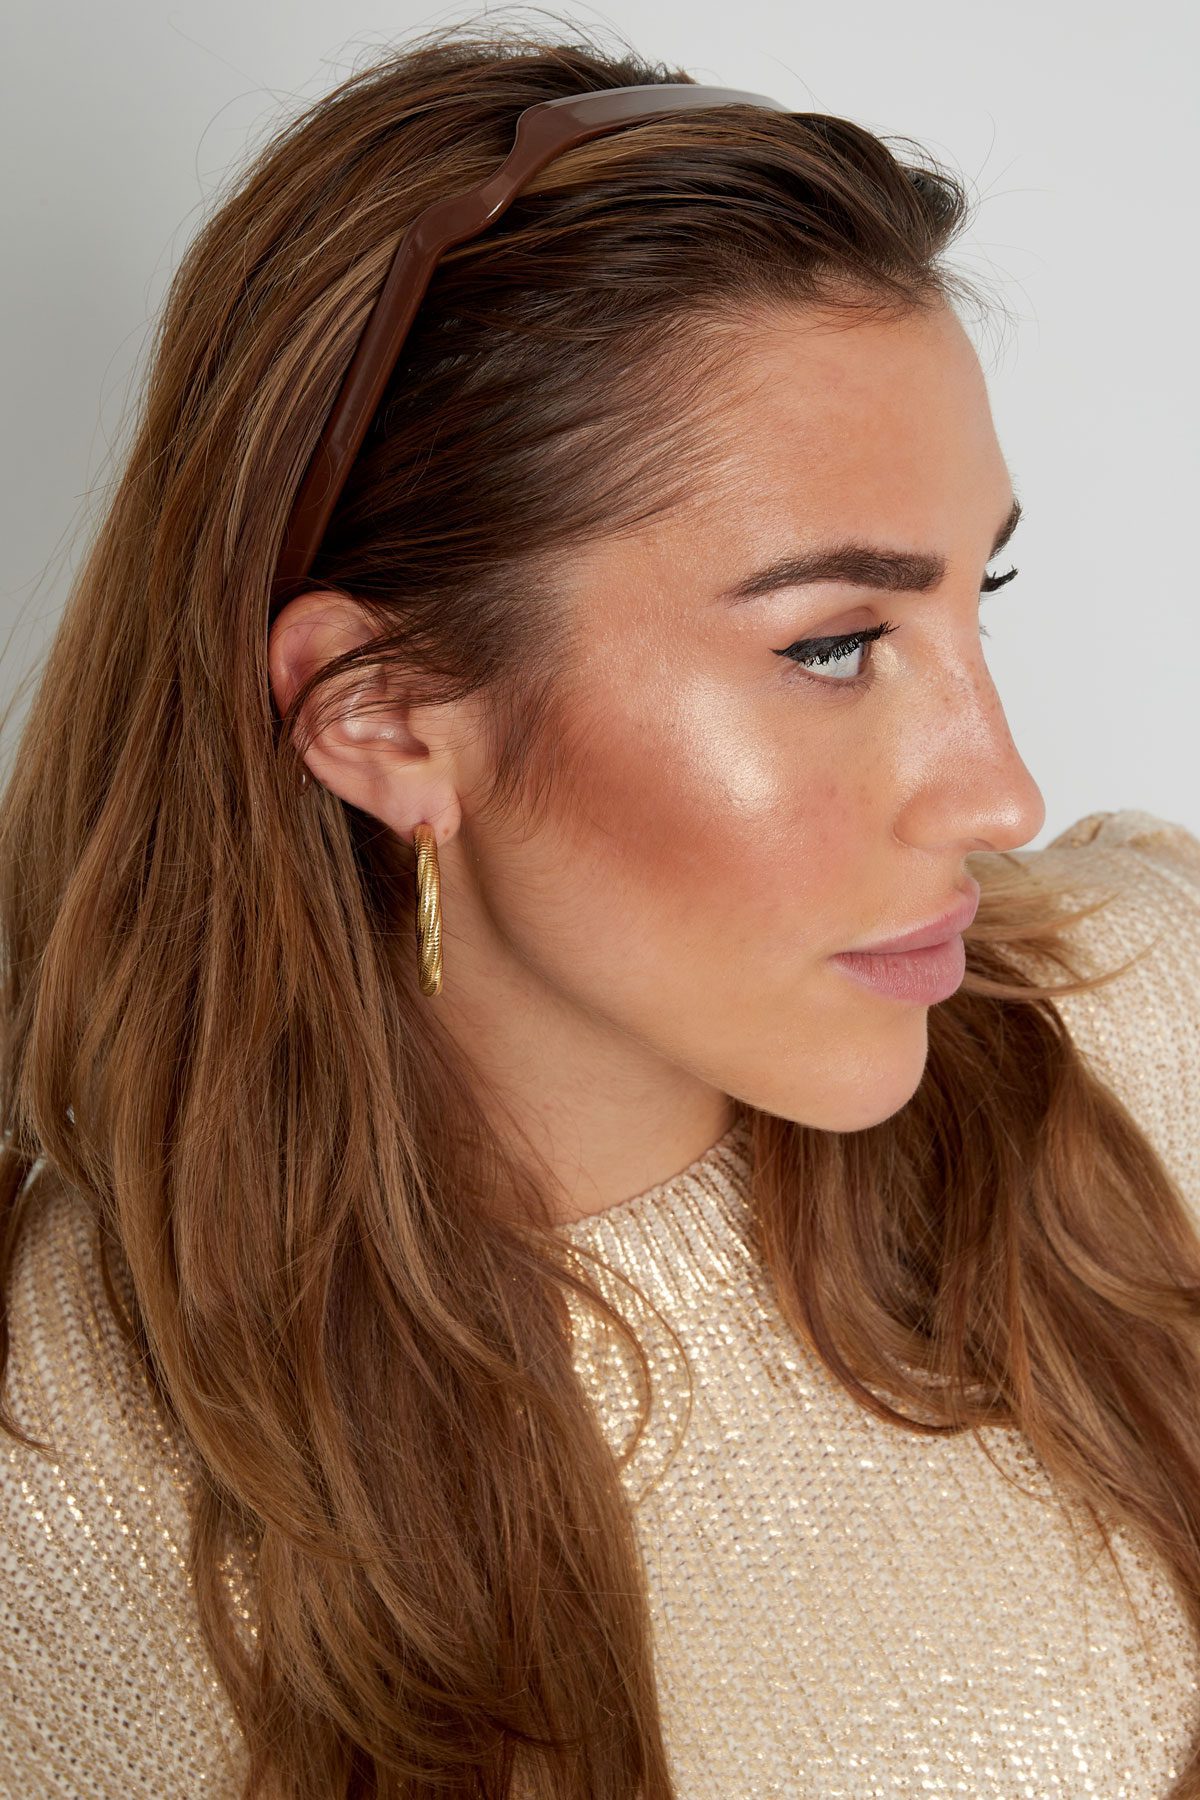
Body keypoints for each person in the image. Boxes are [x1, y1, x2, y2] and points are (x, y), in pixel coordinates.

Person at [2, 17, 1199, 1799]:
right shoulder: (48, 1491)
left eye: (977, 600)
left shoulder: (1151, 1014)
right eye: (834, 644)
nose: (1001, 794)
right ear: (388, 718)